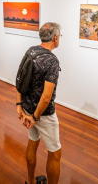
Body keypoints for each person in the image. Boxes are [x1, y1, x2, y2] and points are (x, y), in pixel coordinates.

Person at [17, 22, 62, 184]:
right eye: (60, 36)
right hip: (43, 114)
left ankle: (30, 181)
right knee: (55, 153)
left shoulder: (30, 51)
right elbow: (46, 97)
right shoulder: (52, 61)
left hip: (28, 109)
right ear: (55, 38)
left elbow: (19, 80)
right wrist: (36, 117)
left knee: (32, 143)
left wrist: (19, 105)